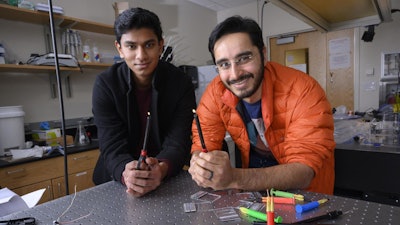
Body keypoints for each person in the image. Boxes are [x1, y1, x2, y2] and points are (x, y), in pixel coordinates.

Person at [188, 16, 335, 194]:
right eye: (224, 64)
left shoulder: (303, 90)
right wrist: (200, 164)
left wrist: (234, 178)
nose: (235, 74)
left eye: (244, 58)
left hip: (307, 195)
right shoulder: (215, 91)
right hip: (253, 187)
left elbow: (304, 171)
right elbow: (203, 140)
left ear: (263, 55)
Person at [92, 7, 196, 197]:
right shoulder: (105, 84)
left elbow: (178, 141)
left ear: (160, 46)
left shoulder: (181, 82)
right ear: (119, 49)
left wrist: (162, 168)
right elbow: (111, 146)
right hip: (116, 182)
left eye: (148, 45)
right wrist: (127, 174)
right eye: (131, 46)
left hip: (166, 178)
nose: (141, 56)